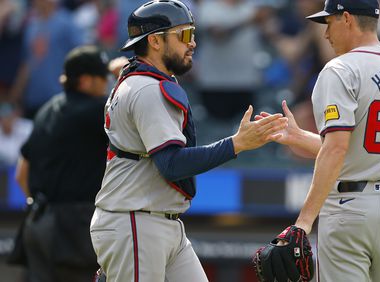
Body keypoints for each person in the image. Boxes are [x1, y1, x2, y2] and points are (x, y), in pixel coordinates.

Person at [89, 1, 288, 282]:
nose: (192, 43)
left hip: (158, 219)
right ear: (155, 41)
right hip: (134, 219)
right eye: (183, 35)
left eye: (193, 34)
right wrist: (237, 143)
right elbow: (171, 163)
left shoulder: (141, 77)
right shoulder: (147, 88)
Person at [259, 0, 380, 281]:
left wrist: (303, 222)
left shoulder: (340, 69)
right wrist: (301, 138)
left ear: (347, 18)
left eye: (329, 22)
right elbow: (359, 149)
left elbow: (337, 148)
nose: (325, 33)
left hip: (350, 208)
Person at [15, 45, 110, 282]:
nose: (106, 83)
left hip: (38, 222)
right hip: (76, 228)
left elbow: (21, 173)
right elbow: (132, 111)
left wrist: (40, 207)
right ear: (86, 81)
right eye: (103, 77)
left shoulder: (47, 109)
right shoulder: (97, 110)